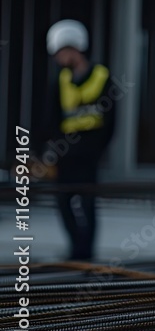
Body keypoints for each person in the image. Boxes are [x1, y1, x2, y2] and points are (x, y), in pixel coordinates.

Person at [38, 19, 116, 261]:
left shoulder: (102, 77)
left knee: (88, 204)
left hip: (89, 154)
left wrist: (98, 151)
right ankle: (76, 250)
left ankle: (86, 254)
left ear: (74, 49)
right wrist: (45, 150)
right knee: (63, 203)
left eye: (61, 52)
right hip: (66, 155)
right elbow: (51, 120)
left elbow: (111, 121)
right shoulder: (60, 81)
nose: (59, 59)